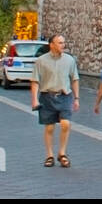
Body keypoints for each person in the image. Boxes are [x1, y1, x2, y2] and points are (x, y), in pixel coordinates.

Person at [30, 34, 79, 167]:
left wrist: (76, 98)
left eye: (63, 42)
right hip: (47, 96)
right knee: (50, 127)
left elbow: (74, 79)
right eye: (60, 43)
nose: (63, 45)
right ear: (51, 45)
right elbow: (35, 81)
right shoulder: (41, 61)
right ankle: (49, 155)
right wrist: (34, 99)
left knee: (66, 124)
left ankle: (62, 153)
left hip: (65, 96)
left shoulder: (69, 60)